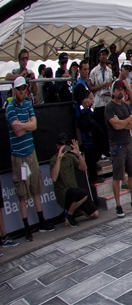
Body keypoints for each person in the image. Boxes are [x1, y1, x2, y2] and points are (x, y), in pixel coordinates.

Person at [5, 76, 57, 240]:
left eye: (24, 88)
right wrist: (27, 125)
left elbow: (33, 126)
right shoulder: (9, 108)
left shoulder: (28, 104)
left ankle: (41, 221)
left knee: (36, 187)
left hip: (30, 153)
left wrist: (24, 125)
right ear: (14, 90)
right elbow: (17, 131)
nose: (22, 91)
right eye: (19, 89)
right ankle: (26, 227)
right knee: (22, 191)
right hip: (19, 157)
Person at [105, 80, 132, 217]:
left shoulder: (125, 106)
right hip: (117, 144)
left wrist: (123, 122)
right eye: (118, 89)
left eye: (123, 89)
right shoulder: (110, 107)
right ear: (113, 91)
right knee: (117, 175)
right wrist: (125, 122)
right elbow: (115, 126)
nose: (121, 91)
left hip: (127, 142)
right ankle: (118, 204)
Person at [49, 133, 99, 227]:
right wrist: (59, 158)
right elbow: (54, 177)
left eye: (66, 144)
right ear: (57, 146)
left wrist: (78, 155)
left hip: (74, 192)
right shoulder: (54, 159)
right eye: (61, 144)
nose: (64, 147)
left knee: (95, 214)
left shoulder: (71, 157)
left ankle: (75, 208)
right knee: (82, 193)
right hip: (63, 193)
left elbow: (84, 169)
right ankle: (69, 214)